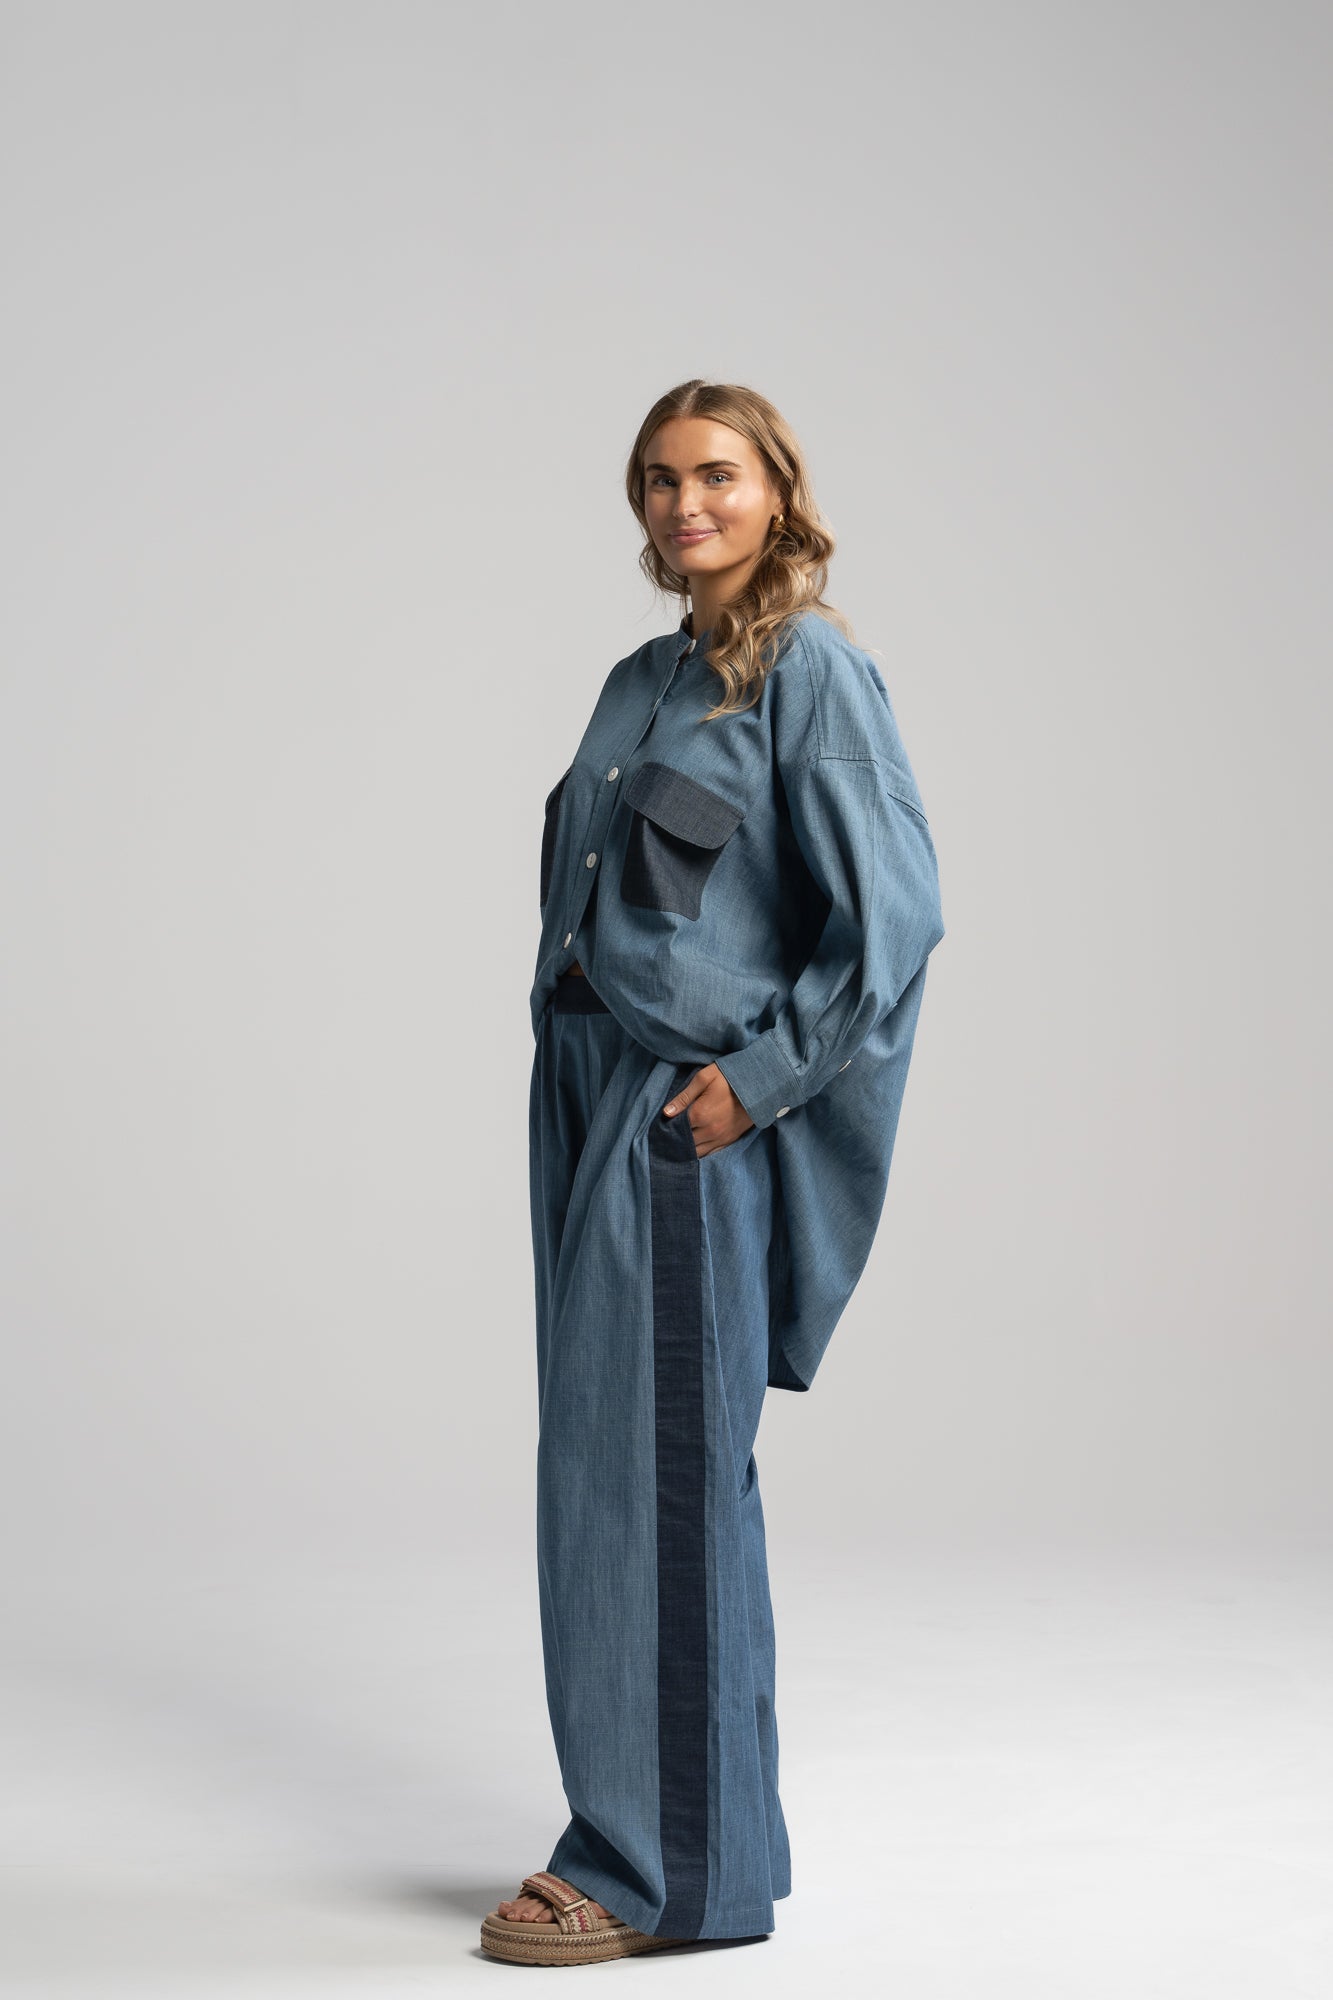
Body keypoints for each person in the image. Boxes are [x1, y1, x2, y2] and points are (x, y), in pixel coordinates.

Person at [480, 380, 946, 1968]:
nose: (687, 505)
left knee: (647, 1480)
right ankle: (711, 1846)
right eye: (661, 480)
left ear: (776, 491)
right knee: (607, 1471)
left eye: (718, 476)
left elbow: (889, 924)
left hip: (676, 1121)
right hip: (580, 1095)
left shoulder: (812, 673)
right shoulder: (642, 681)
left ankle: (642, 1872)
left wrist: (750, 1087)